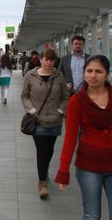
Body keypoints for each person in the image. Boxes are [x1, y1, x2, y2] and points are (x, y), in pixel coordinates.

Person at [55, 55, 112, 220]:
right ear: (84, 72)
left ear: (107, 74)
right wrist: (63, 171)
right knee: (92, 214)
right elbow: (70, 138)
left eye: (98, 71)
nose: (93, 75)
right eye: (89, 71)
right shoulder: (76, 101)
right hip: (88, 166)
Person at [21, 49, 69, 199]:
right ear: (41, 60)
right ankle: (42, 183)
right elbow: (25, 95)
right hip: (38, 120)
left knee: (50, 150)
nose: (49, 63)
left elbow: (65, 97)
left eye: (52, 60)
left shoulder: (59, 76)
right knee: (42, 151)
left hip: (55, 121)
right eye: (46, 60)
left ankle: (44, 170)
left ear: (55, 61)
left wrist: (61, 111)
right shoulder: (30, 75)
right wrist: (32, 110)